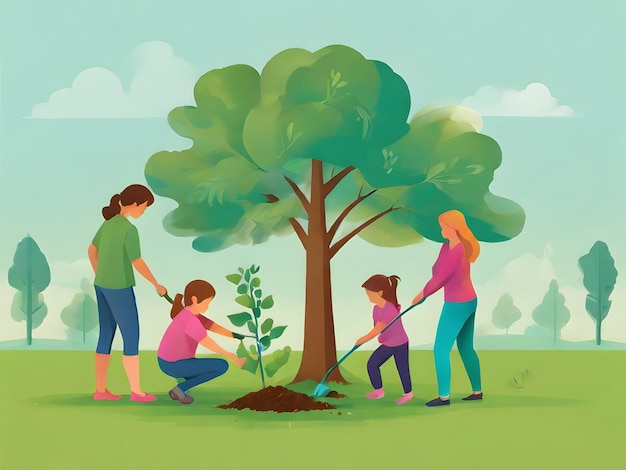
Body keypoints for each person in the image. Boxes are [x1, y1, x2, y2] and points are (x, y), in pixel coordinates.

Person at [88, 184, 166, 403]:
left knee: (106, 335)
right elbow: (136, 261)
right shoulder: (129, 229)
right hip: (119, 288)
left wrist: (100, 273)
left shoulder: (108, 224)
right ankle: (137, 392)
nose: (144, 211)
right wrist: (156, 284)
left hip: (101, 285)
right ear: (135, 204)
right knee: (131, 336)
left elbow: (91, 250)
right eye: (145, 207)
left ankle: (100, 390)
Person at [412, 210, 483, 407]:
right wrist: (430, 285)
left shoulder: (457, 250)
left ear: (453, 228)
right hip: (469, 300)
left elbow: (440, 277)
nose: (440, 228)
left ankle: (444, 397)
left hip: (458, 304)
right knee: (465, 347)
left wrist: (422, 294)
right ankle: (477, 391)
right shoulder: (447, 247)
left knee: (440, 350)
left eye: (443, 225)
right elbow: (437, 271)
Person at [158, 279, 246, 405]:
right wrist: (231, 356)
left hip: (168, 361)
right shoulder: (191, 320)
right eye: (207, 303)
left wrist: (233, 335)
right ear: (194, 299)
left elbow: (211, 325)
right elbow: (208, 343)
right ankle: (180, 389)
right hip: (174, 365)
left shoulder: (189, 314)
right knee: (221, 366)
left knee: (205, 368)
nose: (207, 306)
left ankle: (184, 385)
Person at [356, 274, 413, 406]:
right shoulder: (376, 309)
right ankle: (378, 391)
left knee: (402, 368)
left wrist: (362, 339)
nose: (368, 297)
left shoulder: (390, 309)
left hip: (400, 343)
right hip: (389, 342)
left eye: (370, 294)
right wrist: (382, 336)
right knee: (372, 365)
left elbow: (378, 328)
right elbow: (379, 327)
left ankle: (408, 393)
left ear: (380, 293)